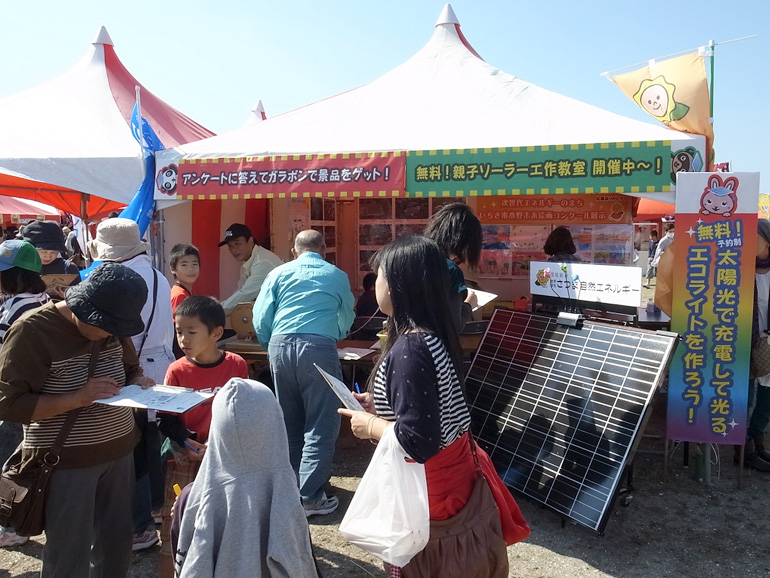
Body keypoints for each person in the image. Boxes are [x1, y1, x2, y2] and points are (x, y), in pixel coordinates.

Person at [338, 235, 527, 576]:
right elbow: (427, 406)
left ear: (398, 285)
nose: (373, 283)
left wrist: (371, 426)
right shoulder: (427, 336)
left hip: (431, 497)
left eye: (379, 275)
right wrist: (382, 405)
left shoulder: (410, 348)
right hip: (449, 485)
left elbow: (419, 440)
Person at [0, 262, 153, 577]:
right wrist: (76, 398)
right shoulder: (32, 330)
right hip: (65, 463)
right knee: (69, 556)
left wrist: (137, 379)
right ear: (81, 308)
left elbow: (130, 367)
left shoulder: (113, 324)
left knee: (116, 549)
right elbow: (8, 404)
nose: (111, 333)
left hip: (119, 454)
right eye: (105, 326)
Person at [252, 229, 355, 516]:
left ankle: (290, 489)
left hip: (279, 345)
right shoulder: (336, 275)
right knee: (321, 424)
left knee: (289, 422)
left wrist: (269, 344)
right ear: (323, 249)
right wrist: (336, 334)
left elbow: (261, 316)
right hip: (319, 347)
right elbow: (347, 314)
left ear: (294, 250)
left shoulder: (277, 273)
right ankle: (309, 496)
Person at [174, 378, 319, 578]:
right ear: (275, 424)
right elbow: (299, 558)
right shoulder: (284, 485)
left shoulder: (189, 497)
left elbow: (181, 556)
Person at [88, 217, 174, 551]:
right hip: (160, 364)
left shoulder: (113, 278)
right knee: (152, 442)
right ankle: (153, 508)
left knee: (132, 448)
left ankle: (139, 526)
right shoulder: (158, 276)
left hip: (130, 368)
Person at [157, 296, 249, 577]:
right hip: (185, 459)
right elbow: (166, 419)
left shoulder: (236, 366)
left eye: (191, 332)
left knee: (220, 522)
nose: (183, 339)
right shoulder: (176, 370)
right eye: (178, 331)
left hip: (224, 458)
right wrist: (186, 441)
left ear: (216, 333)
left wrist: (219, 445)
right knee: (174, 525)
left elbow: (244, 412)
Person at [0, 240, 50, 548]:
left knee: (10, 461)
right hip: (33, 393)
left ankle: (13, 525)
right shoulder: (40, 298)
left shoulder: (18, 305)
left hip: (15, 393)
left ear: (18, 276)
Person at [423, 202, 483, 330]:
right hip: (435, 345)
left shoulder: (414, 259)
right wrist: (469, 304)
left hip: (400, 343)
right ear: (465, 241)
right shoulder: (450, 269)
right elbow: (454, 325)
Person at [741, 219, 770, 472]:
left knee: (768, 398)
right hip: (746, 341)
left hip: (769, 342)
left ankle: (757, 439)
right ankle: (744, 450)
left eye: (754, 237)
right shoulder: (739, 268)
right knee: (746, 396)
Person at [219, 223, 283, 315]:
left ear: (250, 241)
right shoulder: (249, 262)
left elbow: (245, 295)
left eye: (237, 244)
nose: (233, 250)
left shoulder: (262, 262)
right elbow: (239, 292)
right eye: (230, 246)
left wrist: (216, 311)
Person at [169, 243, 200, 314]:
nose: (190, 269)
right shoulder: (179, 296)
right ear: (173, 269)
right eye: (184, 265)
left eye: (194, 264)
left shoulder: (188, 293)